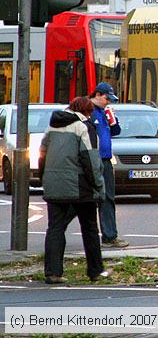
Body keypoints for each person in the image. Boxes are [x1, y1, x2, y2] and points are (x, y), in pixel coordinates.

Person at [39, 97, 106, 283]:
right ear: (85, 111)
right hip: (79, 187)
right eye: (90, 112)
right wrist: (98, 186)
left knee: (55, 228)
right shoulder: (82, 128)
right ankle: (95, 270)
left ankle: (52, 272)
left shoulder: (51, 127)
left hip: (54, 185)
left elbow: (42, 156)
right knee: (90, 227)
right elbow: (90, 161)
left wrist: (45, 178)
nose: (91, 115)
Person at [90, 82, 128, 248]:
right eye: (106, 98)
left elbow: (115, 132)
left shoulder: (104, 112)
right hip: (91, 160)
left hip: (105, 160)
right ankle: (58, 231)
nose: (108, 102)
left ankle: (110, 236)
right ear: (97, 95)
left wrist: (114, 121)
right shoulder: (87, 111)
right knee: (83, 199)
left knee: (108, 198)